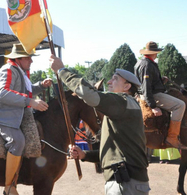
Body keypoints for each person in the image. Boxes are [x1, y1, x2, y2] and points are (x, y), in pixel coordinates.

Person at [50, 55, 150, 195]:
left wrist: (61, 71)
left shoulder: (122, 101)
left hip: (125, 184)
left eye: (115, 79)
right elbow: (113, 154)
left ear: (127, 86)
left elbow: (89, 94)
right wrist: (84, 154)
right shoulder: (124, 106)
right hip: (126, 182)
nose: (109, 82)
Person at [0, 43, 52, 195]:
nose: (31, 61)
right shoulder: (8, 70)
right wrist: (30, 102)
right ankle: (9, 187)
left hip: (12, 110)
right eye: (29, 58)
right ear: (19, 59)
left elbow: (26, 91)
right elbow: (3, 93)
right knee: (17, 141)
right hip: (0, 111)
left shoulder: (20, 71)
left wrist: (41, 85)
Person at [134, 41, 187, 150]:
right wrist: (153, 106)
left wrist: (161, 81)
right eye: (156, 52)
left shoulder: (143, 63)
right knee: (180, 105)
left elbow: (149, 84)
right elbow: (145, 86)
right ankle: (172, 137)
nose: (157, 54)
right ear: (154, 52)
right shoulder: (147, 64)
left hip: (151, 93)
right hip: (151, 95)